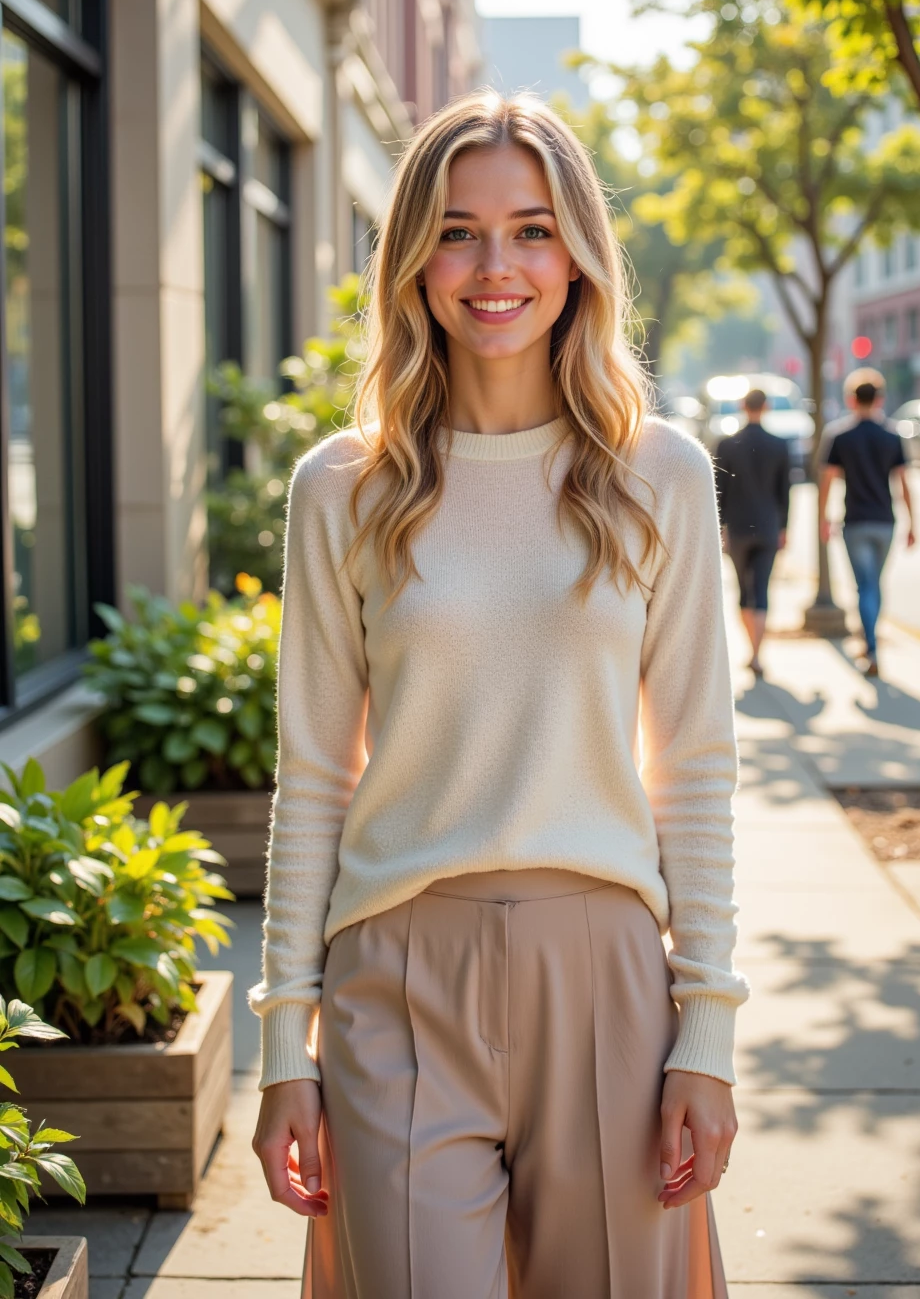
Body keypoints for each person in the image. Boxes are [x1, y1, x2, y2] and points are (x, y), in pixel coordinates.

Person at [247, 90, 750, 1299]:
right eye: (458, 231)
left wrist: (709, 1034)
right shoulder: (343, 490)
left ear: (577, 255)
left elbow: (696, 763)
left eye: (530, 229)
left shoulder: (657, 477)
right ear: (412, 256)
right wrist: (281, 1048)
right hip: (394, 979)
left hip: (607, 978)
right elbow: (314, 774)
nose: (494, 267)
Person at [818, 367, 916, 678]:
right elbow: (904, 482)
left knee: (865, 586)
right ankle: (871, 642)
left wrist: (823, 518)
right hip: (885, 521)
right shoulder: (892, 435)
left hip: (856, 521)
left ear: (850, 399)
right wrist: (913, 523)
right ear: (880, 399)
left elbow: (828, 480)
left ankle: (870, 646)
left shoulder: (840, 436)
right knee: (874, 585)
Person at [713, 387, 791, 678]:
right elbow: (786, 493)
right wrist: (785, 528)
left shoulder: (727, 445)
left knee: (743, 590)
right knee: (762, 588)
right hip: (769, 527)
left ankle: (752, 650)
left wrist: (719, 528)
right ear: (766, 406)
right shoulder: (780, 445)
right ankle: (757, 653)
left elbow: (717, 493)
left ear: (742, 406)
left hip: (738, 528)